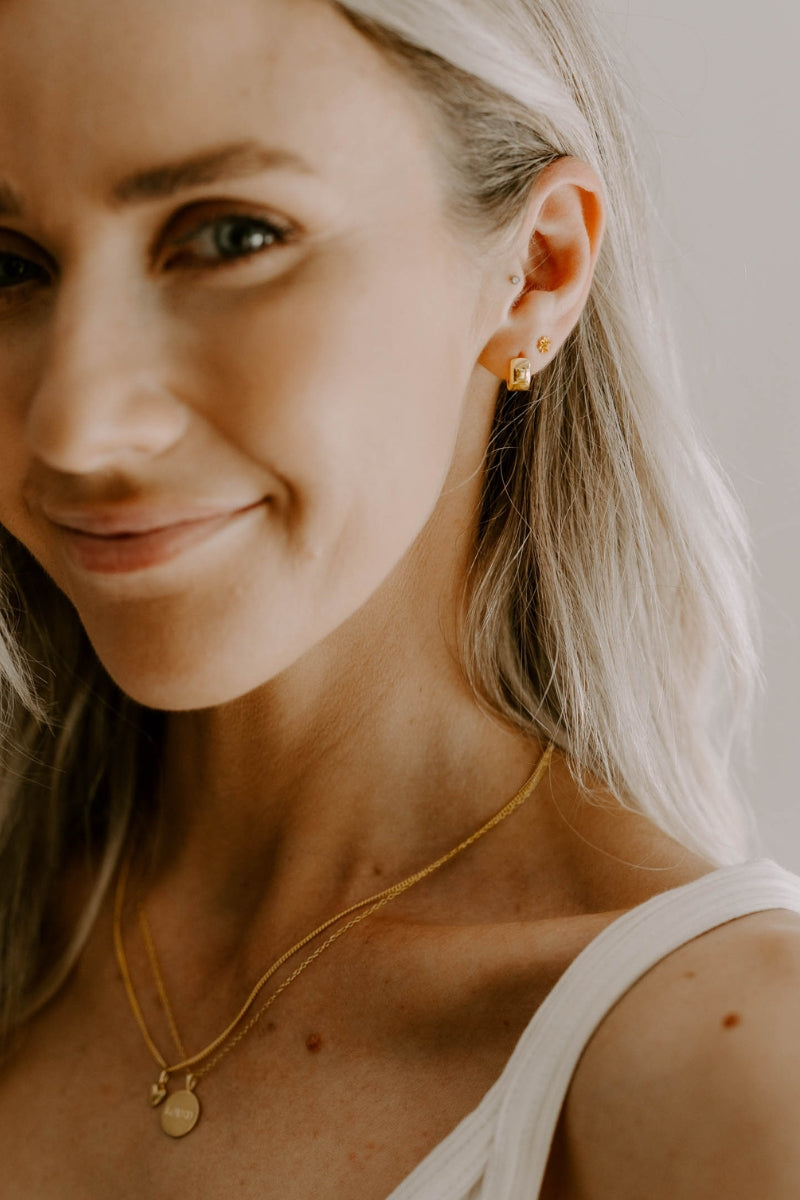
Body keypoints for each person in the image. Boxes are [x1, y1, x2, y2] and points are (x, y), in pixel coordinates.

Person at [0, 0, 798, 1196]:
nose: (77, 423)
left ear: (535, 271)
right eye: (9, 266)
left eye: (228, 237)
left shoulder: (727, 1073)